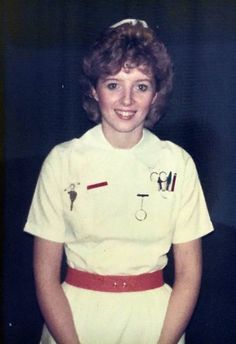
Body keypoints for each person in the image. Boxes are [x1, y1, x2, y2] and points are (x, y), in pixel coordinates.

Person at [24, 18, 214, 344]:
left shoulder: (177, 163)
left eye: (141, 86)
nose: (127, 101)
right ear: (94, 90)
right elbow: (45, 277)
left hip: (156, 323)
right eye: (113, 84)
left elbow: (188, 274)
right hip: (74, 321)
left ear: (156, 95)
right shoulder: (63, 161)